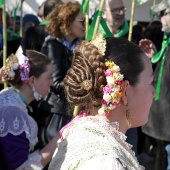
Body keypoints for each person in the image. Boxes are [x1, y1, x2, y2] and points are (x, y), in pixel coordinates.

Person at [48, 32, 155, 170]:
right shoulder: (106, 162)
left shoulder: (81, 130)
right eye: (150, 82)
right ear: (125, 91)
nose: (153, 92)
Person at [37, 0, 85, 156]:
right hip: (56, 114)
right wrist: (84, 86)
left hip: (72, 111)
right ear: (68, 21)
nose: (85, 25)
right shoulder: (53, 45)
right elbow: (55, 83)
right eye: (81, 21)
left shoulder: (81, 45)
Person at [0, 50, 59, 169]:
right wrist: (60, 138)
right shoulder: (13, 112)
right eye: (49, 77)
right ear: (32, 81)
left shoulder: (9, 96)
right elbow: (22, 167)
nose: (52, 83)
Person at [102, 0, 142, 154]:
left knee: (128, 152)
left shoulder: (133, 34)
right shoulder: (94, 34)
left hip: (127, 106)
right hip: (102, 106)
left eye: (122, 9)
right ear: (104, 13)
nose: (120, 13)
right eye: (115, 10)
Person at [140, 0, 170, 169]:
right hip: (162, 118)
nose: (160, 19)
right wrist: (152, 56)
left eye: (163, 13)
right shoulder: (166, 39)